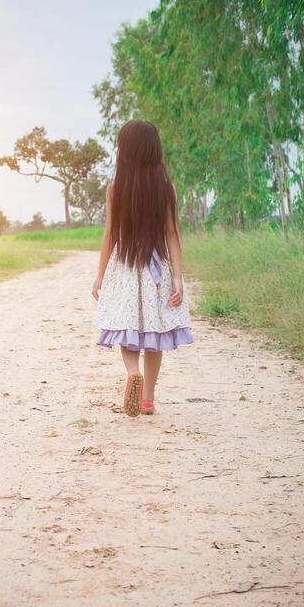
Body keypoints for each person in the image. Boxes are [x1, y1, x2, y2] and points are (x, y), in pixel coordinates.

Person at [92, 119, 193, 417]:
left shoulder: (115, 189)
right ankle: (147, 398)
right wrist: (177, 277)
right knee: (155, 333)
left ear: (124, 151)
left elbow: (110, 235)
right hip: (156, 270)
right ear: (154, 150)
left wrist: (99, 277)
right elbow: (172, 234)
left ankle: (131, 371)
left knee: (128, 329)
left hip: (125, 267)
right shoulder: (166, 189)